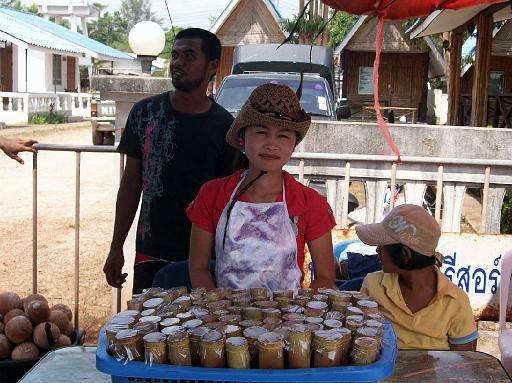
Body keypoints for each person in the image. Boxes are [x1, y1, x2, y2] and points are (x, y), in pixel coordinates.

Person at [103, 28, 238, 294]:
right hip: (151, 251)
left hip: (205, 258)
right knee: (148, 329)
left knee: (199, 331)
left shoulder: (227, 129)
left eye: (189, 56)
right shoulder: (145, 113)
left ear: (212, 66)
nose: (178, 62)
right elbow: (131, 184)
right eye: (175, 55)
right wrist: (116, 246)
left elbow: (229, 202)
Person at [187, 83, 336, 291]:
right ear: (242, 137)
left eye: (283, 136)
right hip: (225, 318)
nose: (271, 144)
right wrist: (217, 314)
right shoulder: (212, 194)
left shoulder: (311, 203)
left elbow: (324, 276)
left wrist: (296, 316)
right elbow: (198, 268)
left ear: (293, 144)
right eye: (261, 132)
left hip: (289, 318)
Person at [356, 204, 478, 350]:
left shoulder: (455, 301)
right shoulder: (372, 285)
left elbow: (463, 361)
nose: (377, 250)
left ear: (405, 254)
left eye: (383, 245)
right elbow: (360, 340)